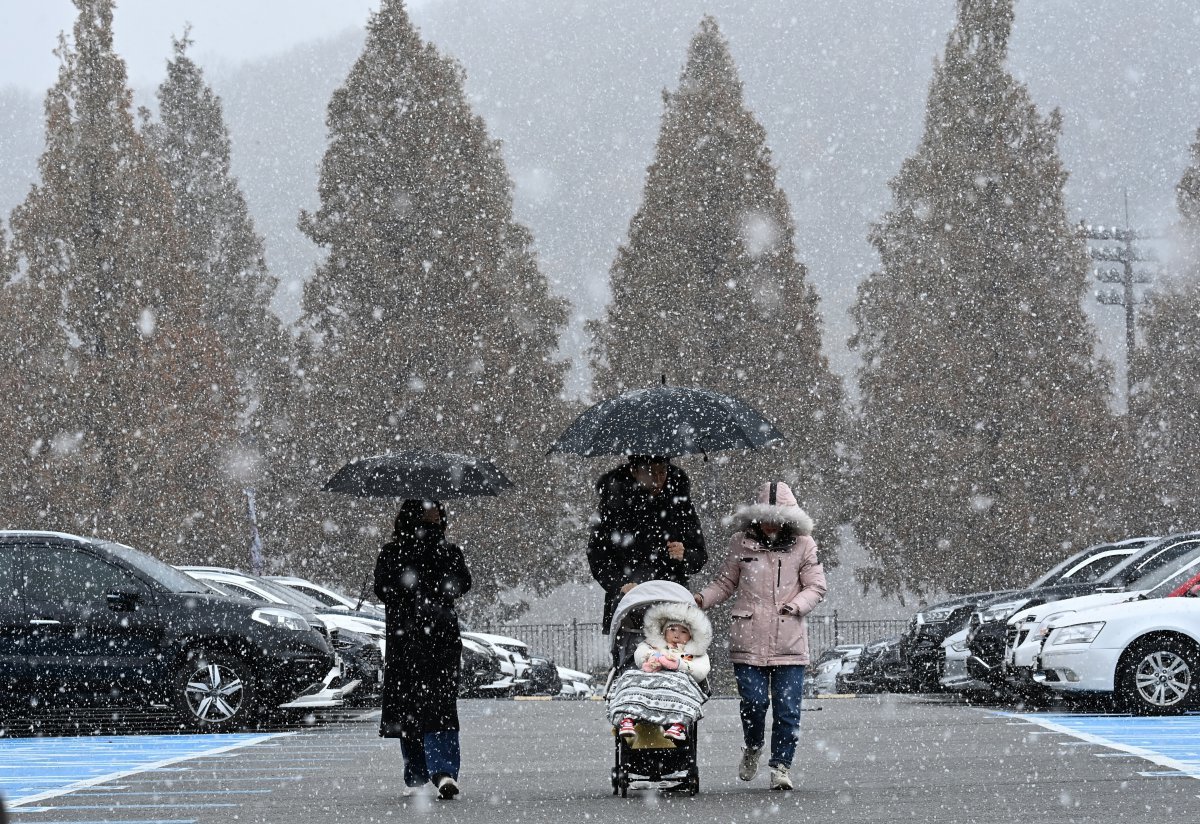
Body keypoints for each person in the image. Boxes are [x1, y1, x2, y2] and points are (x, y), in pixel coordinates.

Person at [695, 481, 827, 792]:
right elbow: (726, 583)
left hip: (788, 640)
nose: (771, 523)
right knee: (753, 703)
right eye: (765, 516)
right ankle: (753, 746)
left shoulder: (804, 545)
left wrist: (796, 606)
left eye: (778, 516)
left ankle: (781, 765)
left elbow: (816, 586)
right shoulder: (741, 543)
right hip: (748, 637)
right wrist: (701, 599)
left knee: (787, 709)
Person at [373, 499, 472, 800]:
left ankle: (433, 772)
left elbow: (459, 584)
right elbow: (458, 585)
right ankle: (431, 771)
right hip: (423, 640)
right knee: (429, 707)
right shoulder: (433, 552)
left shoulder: (402, 552)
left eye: (437, 516)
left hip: (421, 640)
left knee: (424, 706)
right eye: (430, 516)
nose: (435, 521)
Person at [587, 455, 707, 634]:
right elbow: (598, 556)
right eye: (651, 473)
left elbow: (700, 554)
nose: (658, 479)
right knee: (631, 658)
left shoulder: (679, 505)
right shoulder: (614, 505)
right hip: (629, 606)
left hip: (672, 603)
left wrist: (685, 555)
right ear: (635, 472)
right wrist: (620, 583)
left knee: (674, 660)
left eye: (663, 472)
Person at [608, 600, 712, 741]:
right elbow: (639, 655)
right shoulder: (653, 646)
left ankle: (677, 724)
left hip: (674, 687)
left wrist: (679, 664)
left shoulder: (692, 654)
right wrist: (651, 658)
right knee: (630, 677)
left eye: (683, 631)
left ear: (691, 636)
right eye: (672, 629)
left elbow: (701, 670)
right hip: (649, 682)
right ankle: (627, 718)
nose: (677, 635)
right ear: (664, 631)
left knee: (682, 683)